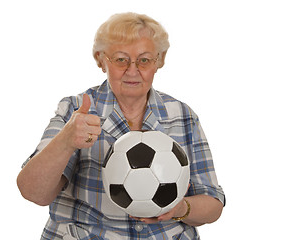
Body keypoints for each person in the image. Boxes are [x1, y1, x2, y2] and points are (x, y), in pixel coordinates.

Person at [17, 12, 225, 240]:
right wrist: (65, 142)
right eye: (120, 59)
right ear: (100, 59)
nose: (132, 70)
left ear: (160, 60)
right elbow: (33, 192)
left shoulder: (183, 116)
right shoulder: (76, 111)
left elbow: (213, 203)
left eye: (144, 60)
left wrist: (180, 208)